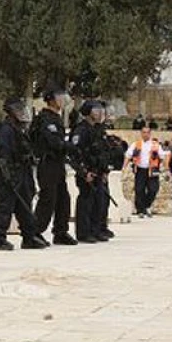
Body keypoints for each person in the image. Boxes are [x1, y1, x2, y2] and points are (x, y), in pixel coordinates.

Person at [0, 99, 49, 251]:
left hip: (23, 173)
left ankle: (28, 237)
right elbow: (3, 155)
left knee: (25, 207)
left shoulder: (20, 130)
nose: (22, 114)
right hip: (10, 174)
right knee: (5, 208)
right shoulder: (6, 130)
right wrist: (7, 175)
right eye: (19, 111)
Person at [31, 88, 77, 245]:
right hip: (47, 163)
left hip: (57, 164)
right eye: (59, 98)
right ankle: (35, 231)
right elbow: (53, 142)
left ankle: (60, 231)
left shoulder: (56, 118)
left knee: (63, 198)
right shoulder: (45, 119)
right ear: (51, 99)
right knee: (47, 198)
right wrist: (67, 146)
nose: (62, 101)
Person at [69, 101, 111, 242]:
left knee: (99, 202)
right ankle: (83, 233)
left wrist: (104, 170)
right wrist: (84, 171)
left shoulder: (97, 130)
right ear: (88, 112)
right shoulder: (81, 130)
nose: (99, 113)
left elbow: (102, 152)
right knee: (86, 202)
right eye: (95, 110)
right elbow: (75, 153)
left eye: (100, 110)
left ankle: (96, 229)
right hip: (87, 172)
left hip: (98, 171)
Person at [128, 127, 164, 218]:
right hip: (140, 170)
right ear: (141, 133)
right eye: (143, 132)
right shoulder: (136, 144)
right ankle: (140, 210)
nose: (145, 134)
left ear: (150, 134)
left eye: (147, 133)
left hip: (152, 170)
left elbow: (163, 156)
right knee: (139, 190)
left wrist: (165, 168)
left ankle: (146, 205)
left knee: (153, 189)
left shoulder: (156, 145)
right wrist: (124, 167)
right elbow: (128, 155)